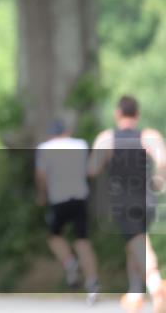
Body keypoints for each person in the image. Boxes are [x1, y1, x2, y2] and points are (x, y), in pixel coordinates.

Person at [88, 96, 166, 313]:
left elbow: (93, 169)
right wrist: (159, 181)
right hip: (148, 199)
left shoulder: (108, 138)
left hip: (124, 200)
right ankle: (135, 294)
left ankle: (156, 284)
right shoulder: (149, 136)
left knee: (138, 242)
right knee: (135, 243)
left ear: (117, 114)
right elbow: (163, 161)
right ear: (137, 115)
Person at [35, 118, 99, 303]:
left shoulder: (45, 148)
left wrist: (42, 194)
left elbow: (41, 175)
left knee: (54, 236)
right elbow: (88, 169)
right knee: (83, 241)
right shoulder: (80, 145)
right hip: (80, 197)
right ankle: (93, 284)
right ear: (67, 132)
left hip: (59, 199)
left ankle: (71, 263)